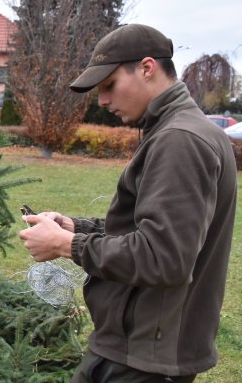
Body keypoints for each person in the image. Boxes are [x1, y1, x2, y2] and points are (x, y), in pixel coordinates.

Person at [18, 24, 237, 382]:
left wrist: (64, 245)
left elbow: (163, 258)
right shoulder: (183, 130)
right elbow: (155, 230)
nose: (102, 101)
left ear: (147, 68)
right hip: (143, 345)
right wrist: (77, 227)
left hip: (143, 356)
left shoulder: (179, 140)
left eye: (109, 85)